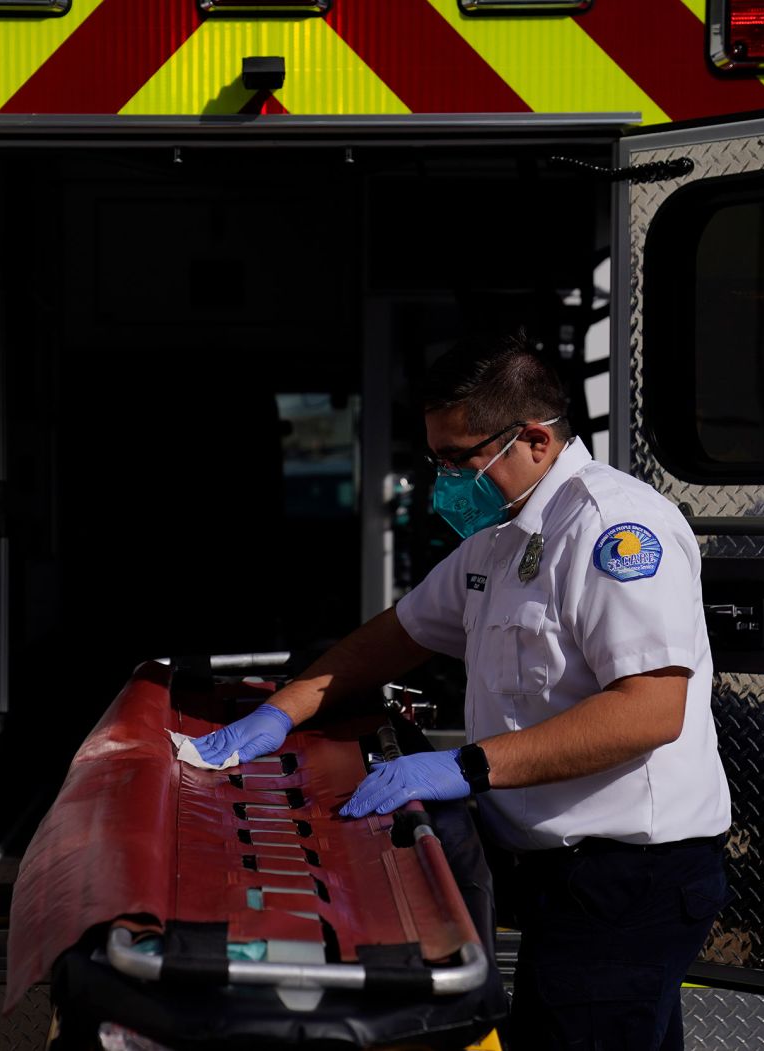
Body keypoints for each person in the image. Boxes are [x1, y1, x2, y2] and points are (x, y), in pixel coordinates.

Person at [191, 334, 731, 1050]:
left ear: (534, 440)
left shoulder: (611, 530)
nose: (442, 479)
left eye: (458, 458)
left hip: (629, 877)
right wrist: (280, 711)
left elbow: (651, 709)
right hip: (559, 872)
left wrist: (465, 766)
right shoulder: (501, 539)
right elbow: (394, 636)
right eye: (435, 458)